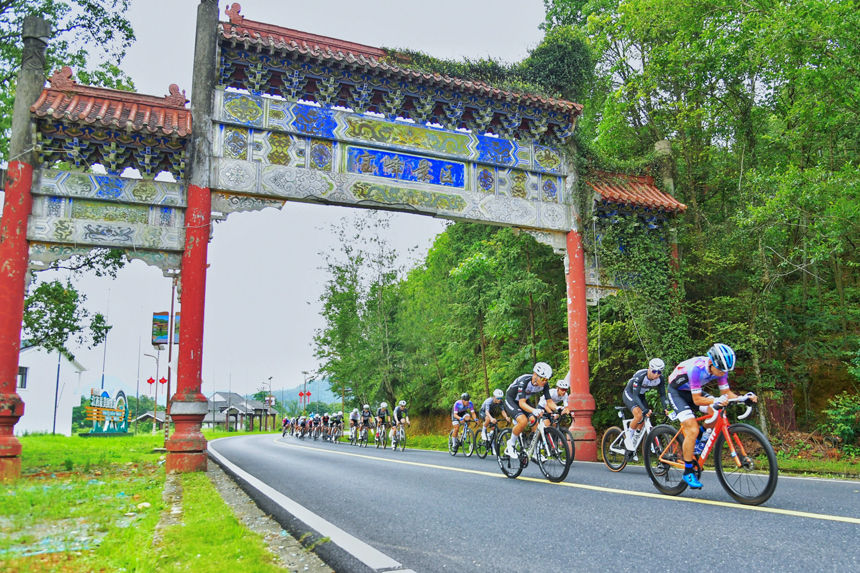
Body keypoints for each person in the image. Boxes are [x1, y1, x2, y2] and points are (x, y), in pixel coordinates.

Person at [668, 344, 757, 489]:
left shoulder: (721, 369)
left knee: (717, 411)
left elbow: (726, 393)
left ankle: (699, 439)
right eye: (721, 370)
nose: (723, 373)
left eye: (726, 371)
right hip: (677, 393)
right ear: (712, 363)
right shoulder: (696, 369)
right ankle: (688, 471)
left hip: (693, 391)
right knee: (692, 429)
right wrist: (717, 400)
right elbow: (697, 400)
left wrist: (742, 398)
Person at [503, 362, 557, 458]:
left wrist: (558, 408)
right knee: (523, 421)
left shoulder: (544, 385)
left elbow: (549, 402)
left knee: (536, 423)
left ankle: (535, 452)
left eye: (547, 379)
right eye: (543, 378)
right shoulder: (524, 381)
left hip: (524, 400)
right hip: (512, 400)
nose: (545, 381)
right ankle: (510, 444)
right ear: (535, 375)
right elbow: (521, 403)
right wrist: (534, 410)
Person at [622, 358, 671, 451]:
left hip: (641, 395)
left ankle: (635, 440)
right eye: (654, 371)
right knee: (639, 414)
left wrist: (666, 408)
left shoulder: (660, 379)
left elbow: (662, 395)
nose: (656, 374)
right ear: (649, 368)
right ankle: (628, 438)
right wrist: (643, 409)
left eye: (659, 372)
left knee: (645, 418)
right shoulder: (640, 376)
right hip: (630, 393)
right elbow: (635, 396)